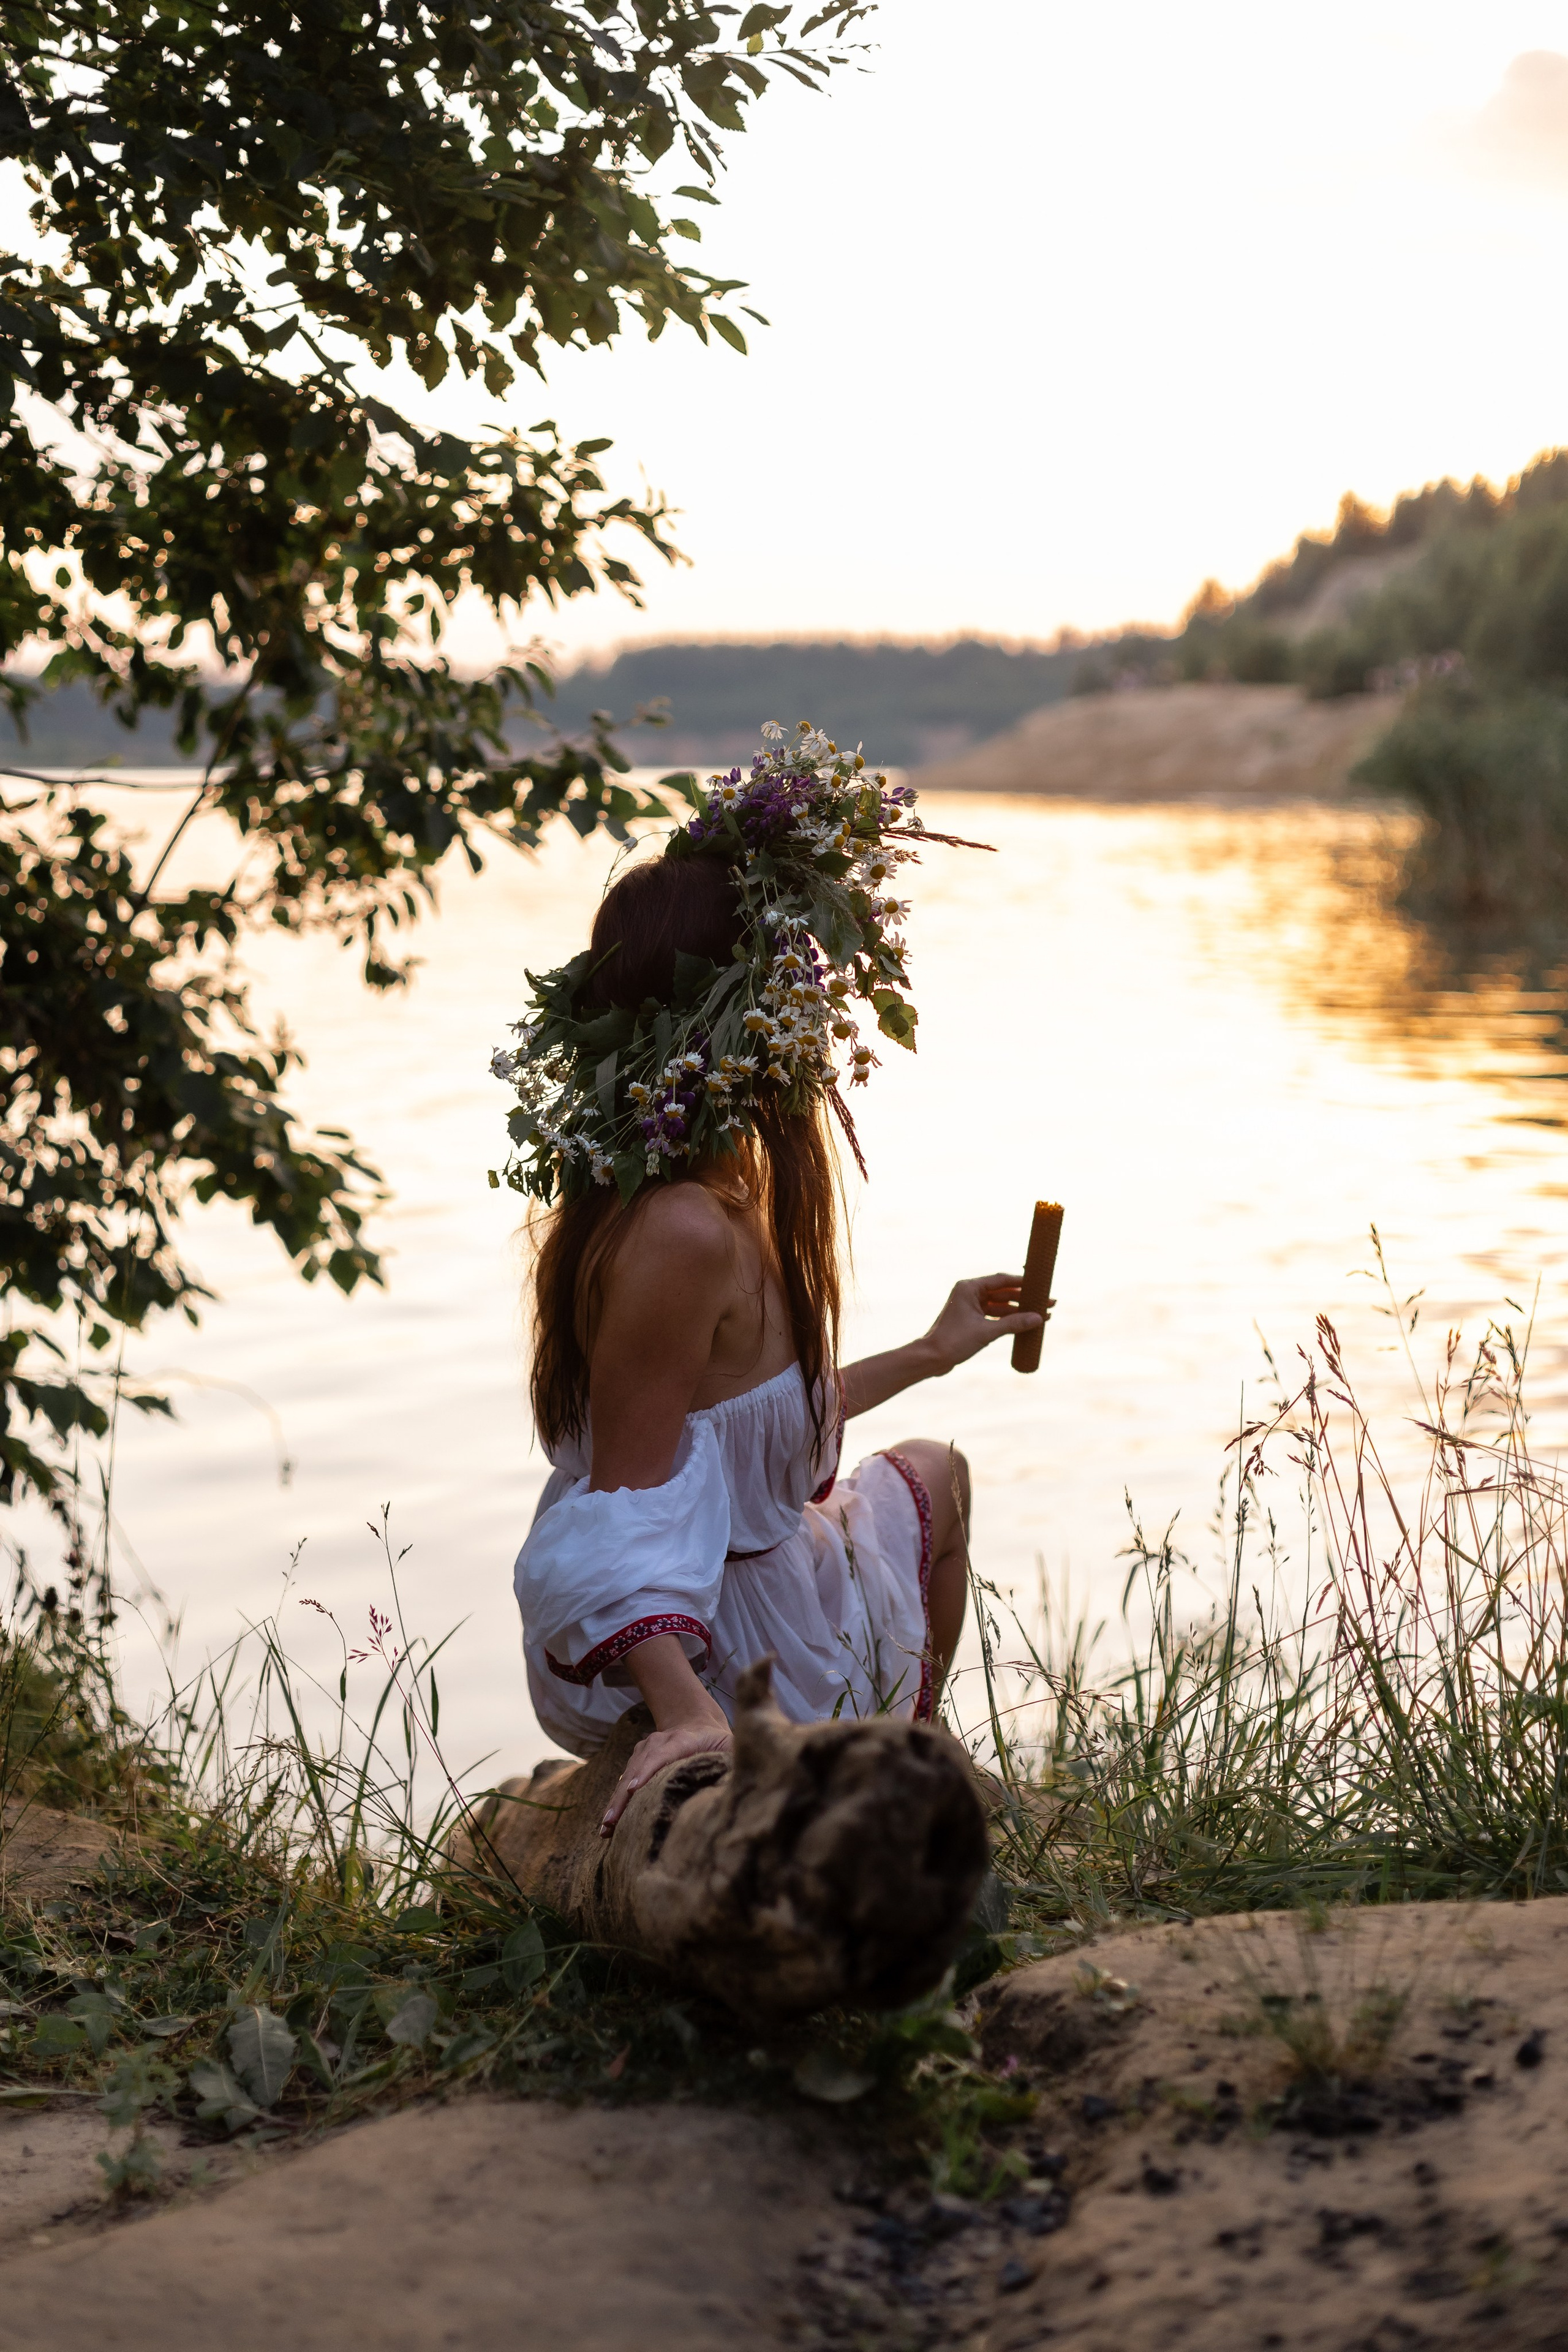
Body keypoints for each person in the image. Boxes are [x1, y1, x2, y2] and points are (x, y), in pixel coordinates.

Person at [493, 725, 1044, 1837]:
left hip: (750, 1571)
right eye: (799, 985)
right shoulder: (684, 1231)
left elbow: (737, 1435)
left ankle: (923, 1754)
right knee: (920, 1493)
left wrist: (936, 1349)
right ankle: (895, 1764)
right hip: (715, 1639)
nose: (817, 1008)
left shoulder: (698, 1193)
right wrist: (690, 1719)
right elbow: (621, 1509)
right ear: (741, 1010)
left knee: (940, 1468)